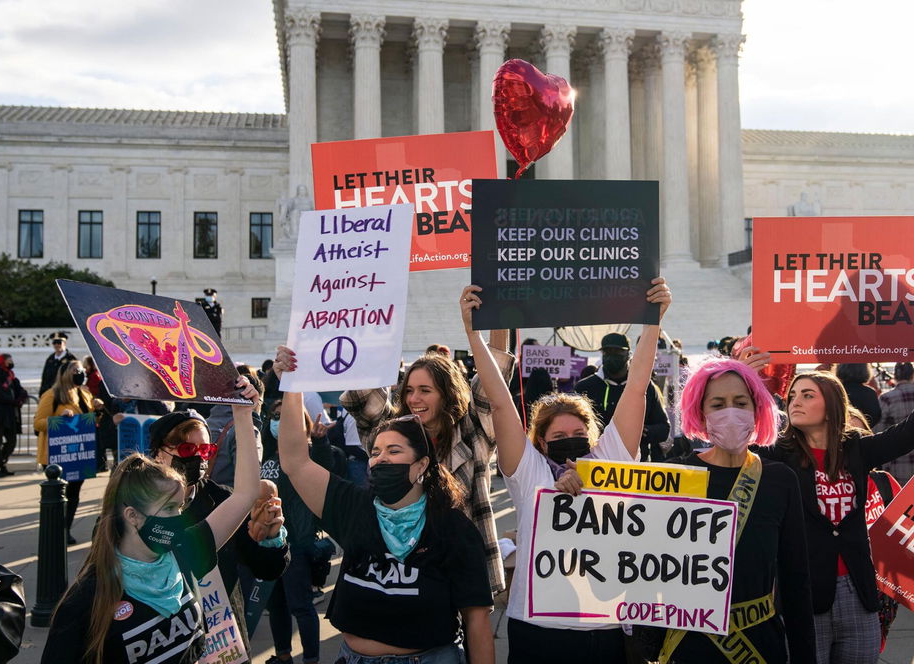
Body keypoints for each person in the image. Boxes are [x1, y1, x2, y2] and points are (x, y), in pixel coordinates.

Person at [461, 277, 669, 664]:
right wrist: (474, 335)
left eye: (579, 432)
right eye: (559, 434)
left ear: (594, 435)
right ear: (540, 441)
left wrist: (652, 322)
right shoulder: (529, 473)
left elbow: (637, 389)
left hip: (605, 632)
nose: (570, 438)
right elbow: (503, 405)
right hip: (538, 633)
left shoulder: (608, 461)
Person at [41, 376, 261, 664]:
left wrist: (244, 414)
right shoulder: (86, 601)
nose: (179, 516)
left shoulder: (183, 552)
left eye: (179, 506)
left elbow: (245, 493)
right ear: (132, 516)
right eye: (169, 508)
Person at [763, 342, 914, 664]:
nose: (795, 401)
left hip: (858, 592)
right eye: (793, 395)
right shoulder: (780, 454)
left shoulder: (856, 448)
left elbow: (911, 433)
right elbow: (738, 443)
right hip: (804, 595)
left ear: (832, 404)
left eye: (807, 395)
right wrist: (748, 377)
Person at [276, 386, 495, 663]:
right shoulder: (354, 507)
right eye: (376, 452)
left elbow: (477, 622)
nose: (381, 459)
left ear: (421, 465)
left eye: (393, 450)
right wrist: (293, 385)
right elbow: (295, 461)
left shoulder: (453, 528)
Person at [659, 357, 815, 662]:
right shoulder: (674, 478)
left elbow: (796, 579)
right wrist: (575, 484)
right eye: (717, 404)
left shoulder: (781, 480)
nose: (730, 412)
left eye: (741, 402)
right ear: (700, 414)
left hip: (760, 645)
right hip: (690, 649)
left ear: (757, 411)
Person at [334, 330, 514, 594]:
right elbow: (363, 398)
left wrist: (496, 318)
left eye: (425, 390)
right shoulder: (390, 432)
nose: (413, 399)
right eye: (408, 390)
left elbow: (494, 376)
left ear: (447, 393)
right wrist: (378, 327)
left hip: (460, 570)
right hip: (401, 573)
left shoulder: (472, 432)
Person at [148, 402, 289, 651]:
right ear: (159, 452)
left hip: (222, 641)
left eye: (205, 450)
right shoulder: (135, 505)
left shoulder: (223, 499)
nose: (197, 458)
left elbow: (267, 570)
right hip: (162, 639)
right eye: (187, 448)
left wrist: (271, 539)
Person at [261, 399, 336, 664]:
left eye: (286, 415)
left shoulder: (307, 453)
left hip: (296, 543)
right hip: (270, 544)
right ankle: (283, 656)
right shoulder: (268, 454)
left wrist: (320, 442)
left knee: (301, 606)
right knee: (276, 604)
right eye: (275, 415)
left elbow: (325, 472)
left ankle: (311, 659)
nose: (279, 420)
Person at [846, 407, 901, 653]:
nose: (853, 440)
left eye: (859, 433)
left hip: (881, 593)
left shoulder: (885, 482)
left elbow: (911, 535)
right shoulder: (818, 484)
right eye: (845, 433)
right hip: (840, 587)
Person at [574, 331, 670, 461]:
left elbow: (664, 428)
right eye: (607, 352)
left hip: (634, 467)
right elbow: (574, 428)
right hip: (596, 464)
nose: (611, 356)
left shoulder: (645, 387)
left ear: (628, 355)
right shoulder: (585, 387)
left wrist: (644, 431)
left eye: (617, 352)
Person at [34, 359, 93, 543]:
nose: (80, 373)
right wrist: (58, 419)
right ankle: (56, 530)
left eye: (82, 369)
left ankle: (65, 528)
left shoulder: (83, 394)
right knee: (59, 495)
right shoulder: (51, 395)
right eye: (76, 370)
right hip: (55, 456)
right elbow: (38, 423)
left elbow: (88, 423)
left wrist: (96, 410)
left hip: (78, 454)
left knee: (74, 494)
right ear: (66, 373)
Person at [875, 362, 914, 484]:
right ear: (913, 375)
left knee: (899, 498)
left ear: (895, 375)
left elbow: (878, 430)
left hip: (896, 457)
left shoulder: (886, 398)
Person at [0, 353, 28, 478]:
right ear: (2, 362)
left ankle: (1, 463)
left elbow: (19, 389)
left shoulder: (10, 375)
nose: (11, 362)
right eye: (9, 360)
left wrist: (21, 397)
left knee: (11, 441)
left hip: (9, 415)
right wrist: (13, 401)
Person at [40, 331, 76, 395]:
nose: (56, 345)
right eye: (54, 342)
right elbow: (44, 377)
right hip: (50, 393)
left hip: (65, 394)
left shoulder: (71, 359)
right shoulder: (50, 359)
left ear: (64, 343)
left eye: (59, 342)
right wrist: (42, 393)